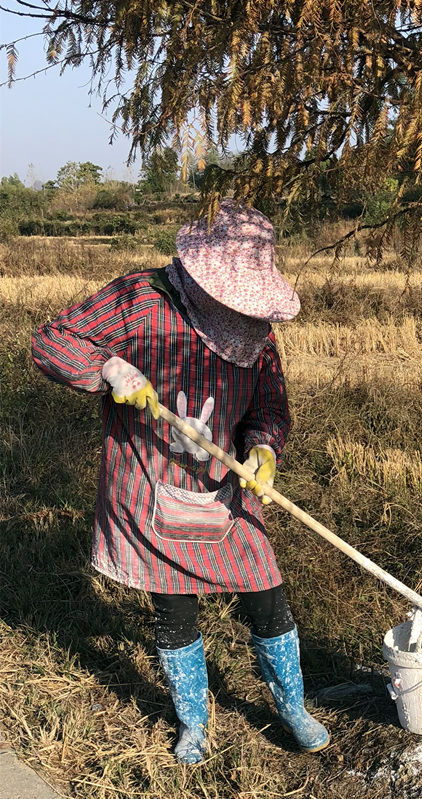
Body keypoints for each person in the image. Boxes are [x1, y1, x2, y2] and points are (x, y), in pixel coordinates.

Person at [31, 199, 329, 764]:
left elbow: (270, 403)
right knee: (173, 605)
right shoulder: (139, 299)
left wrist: (263, 448)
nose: (239, 310)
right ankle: (193, 719)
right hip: (151, 483)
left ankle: (292, 706)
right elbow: (51, 340)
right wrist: (108, 369)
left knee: (266, 592)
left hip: (226, 488)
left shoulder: (252, 330)